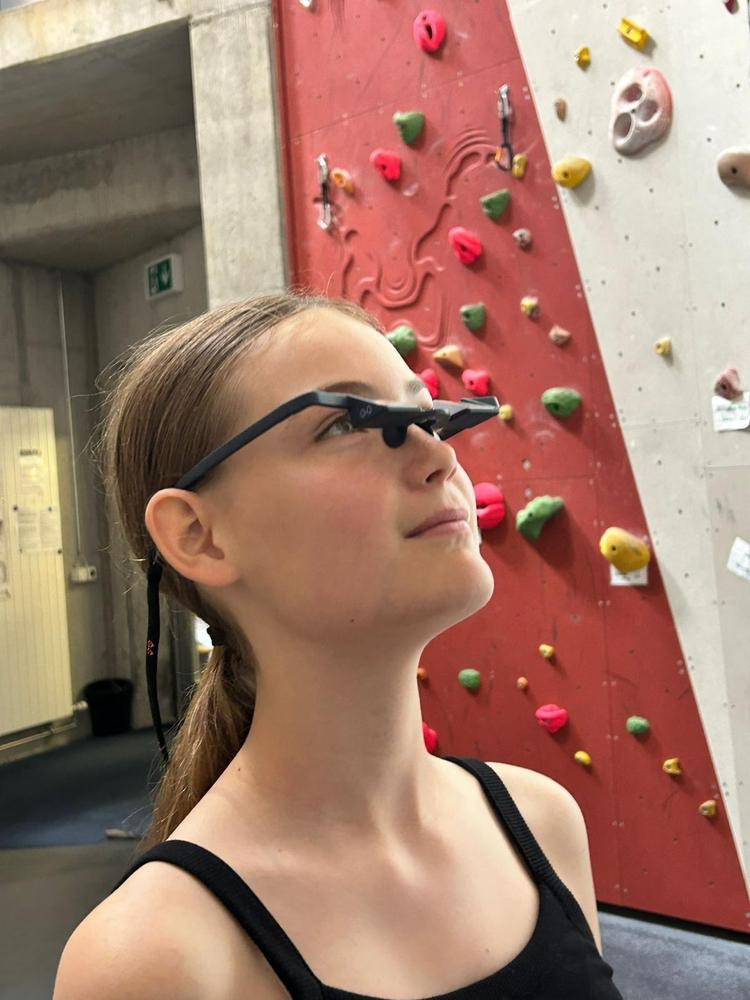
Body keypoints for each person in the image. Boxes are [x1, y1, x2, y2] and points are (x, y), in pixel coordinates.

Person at [54, 291, 623, 999]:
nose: (437, 457)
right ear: (198, 535)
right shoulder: (153, 959)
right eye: (347, 423)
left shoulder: (542, 822)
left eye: (426, 416)